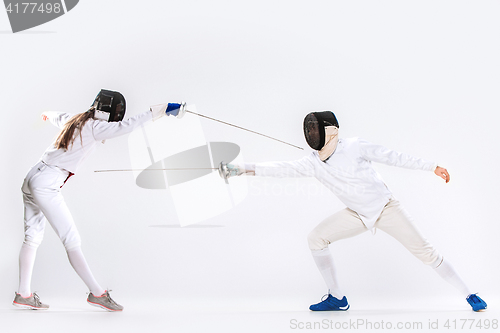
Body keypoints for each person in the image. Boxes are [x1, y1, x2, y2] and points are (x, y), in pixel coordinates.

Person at [222, 111, 487, 312]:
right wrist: (239, 169)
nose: (312, 134)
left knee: (427, 253)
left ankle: (469, 294)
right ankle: (337, 297)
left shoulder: (355, 146)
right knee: (316, 238)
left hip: (386, 209)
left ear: (330, 131)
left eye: (315, 130)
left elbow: (393, 156)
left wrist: (432, 166)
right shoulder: (313, 163)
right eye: (309, 130)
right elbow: (280, 168)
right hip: (357, 214)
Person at [14, 89, 185, 311]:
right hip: (46, 184)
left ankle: (23, 294)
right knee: (71, 240)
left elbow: (54, 115)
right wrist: (162, 110)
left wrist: (45, 114)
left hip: (31, 177)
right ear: (112, 111)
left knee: (32, 236)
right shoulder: (96, 127)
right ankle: (97, 293)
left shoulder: (74, 118)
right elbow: (130, 125)